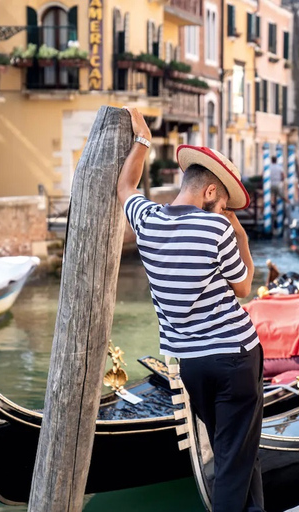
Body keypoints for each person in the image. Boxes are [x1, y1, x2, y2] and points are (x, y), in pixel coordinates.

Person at [117, 107, 264, 512]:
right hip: (234, 358)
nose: (223, 213)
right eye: (222, 204)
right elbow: (244, 287)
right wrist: (242, 238)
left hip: (190, 364)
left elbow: (125, 188)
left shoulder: (147, 221)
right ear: (211, 192)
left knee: (233, 450)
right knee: (234, 460)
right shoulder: (217, 228)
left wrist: (142, 140)